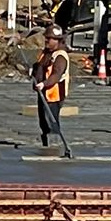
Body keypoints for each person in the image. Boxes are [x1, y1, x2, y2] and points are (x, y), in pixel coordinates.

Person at [32, 24, 73, 158]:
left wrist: (44, 84)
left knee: (51, 121)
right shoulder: (47, 53)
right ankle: (47, 145)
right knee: (43, 121)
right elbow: (40, 67)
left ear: (57, 40)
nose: (46, 41)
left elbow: (56, 74)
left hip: (54, 94)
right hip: (43, 92)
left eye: (49, 39)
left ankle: (54, 147)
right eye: (46, 38)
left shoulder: (60, 56)